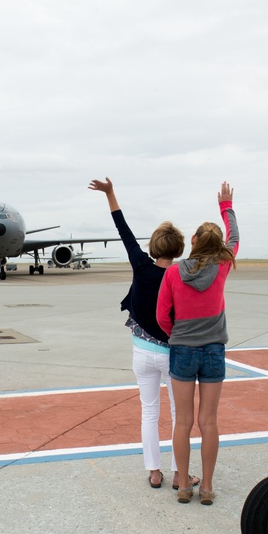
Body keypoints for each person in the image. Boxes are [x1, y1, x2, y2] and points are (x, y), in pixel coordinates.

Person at [89, 177, 195, 490]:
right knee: (179, 416)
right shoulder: (182, 275)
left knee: (149, 411)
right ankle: (180, 473)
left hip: (142, 353)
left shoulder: (140, 264)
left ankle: (154, 472)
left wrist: (110, 194)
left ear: (153, 247)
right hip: (172, 355)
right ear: (178, 250)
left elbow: (122, 229)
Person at [156, 183, 239, 505]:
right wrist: (226, 205)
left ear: (193, 241)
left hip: (182, 351)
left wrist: (177, 335)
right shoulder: (222, 268)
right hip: (214, 351)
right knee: (209, 422)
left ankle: (185, 487)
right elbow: (235, 238)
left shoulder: (175, 273)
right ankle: (207, 487)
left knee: (183, 422)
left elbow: (163, 315)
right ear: (219, 247)